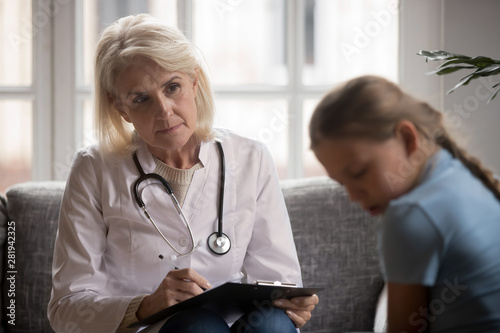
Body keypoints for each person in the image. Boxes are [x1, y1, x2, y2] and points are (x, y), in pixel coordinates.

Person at [48, 13, 318, 333]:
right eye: (141, 98)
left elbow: (281, 281)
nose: (164, 110)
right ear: (120, 107)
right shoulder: (94, 168)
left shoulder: (250, 159)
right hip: (150, 329)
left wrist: (292, 305)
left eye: (172, 87)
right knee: (198, 327)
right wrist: (145, 305)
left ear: (194, 81)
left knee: (273, 323)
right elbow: (66, 310)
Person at [309, 75, 500, 333]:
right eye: (342, 183)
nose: (353, 196)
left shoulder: (410, 215)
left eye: (358, 172)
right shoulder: (456, 172)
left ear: (408, 139)